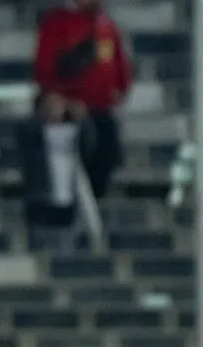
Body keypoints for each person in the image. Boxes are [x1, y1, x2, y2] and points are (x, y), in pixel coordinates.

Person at [34, 0, 132, 199]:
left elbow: (120, 67)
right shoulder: (57, 25)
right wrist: (63, 98)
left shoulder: (107, 27)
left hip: (102, 111)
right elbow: (44, 71)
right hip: (69, 114)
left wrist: (120, 89)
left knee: (106, 155)